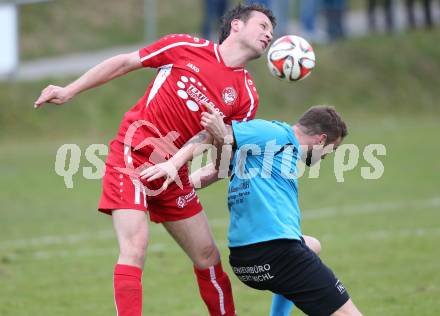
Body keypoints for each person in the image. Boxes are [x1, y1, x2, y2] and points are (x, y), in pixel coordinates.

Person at [34, 4, 276, 316]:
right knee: (135, 248)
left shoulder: (246, 95)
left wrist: (191, 157)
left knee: (208, 256)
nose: (269, 33)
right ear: (236, 26)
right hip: (133, 154)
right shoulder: (184, 46)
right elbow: (124, 62)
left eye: (272, 30)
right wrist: (69, 90)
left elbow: (213, 141)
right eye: (262, 25)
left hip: (173, 171)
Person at [144, 105, 363, 315]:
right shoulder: (276, 134)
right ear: (321, 139)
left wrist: (176, 187)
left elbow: (217, 169)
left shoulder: (261, 151)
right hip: (278, 252)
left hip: (246, 263)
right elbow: (217, 133)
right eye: (330, 150)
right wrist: (175, 163)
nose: (325, 156)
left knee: (312, 244)